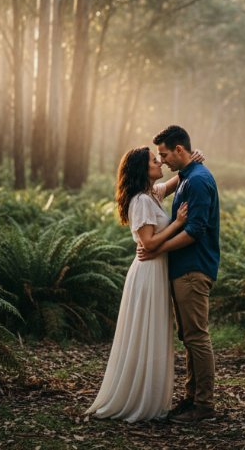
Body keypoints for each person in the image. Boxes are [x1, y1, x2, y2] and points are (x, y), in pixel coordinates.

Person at [85, 145, 203, 422]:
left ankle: (148, 394)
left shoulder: (153, 194)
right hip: (148, 272)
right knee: (145, 333)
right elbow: (148, 242)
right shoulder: (139, 200)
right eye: (154, 160)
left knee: (154, 332)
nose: (160, 162)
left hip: (156, 270)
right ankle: (136, 398)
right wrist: (178, 224)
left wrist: (191, 160)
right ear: (142, 168)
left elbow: (177, 180)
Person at [138, 125, 220, 423]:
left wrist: (158, 250)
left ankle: (205, 406)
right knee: (188, 336)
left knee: (197, 337)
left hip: (194, 268)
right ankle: (191, 399)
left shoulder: (197, 181)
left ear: (179, 150)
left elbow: (194, 231)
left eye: (164, 154)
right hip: (183, 269)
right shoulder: (188, 176)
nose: (162, 161)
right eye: (157, 157)